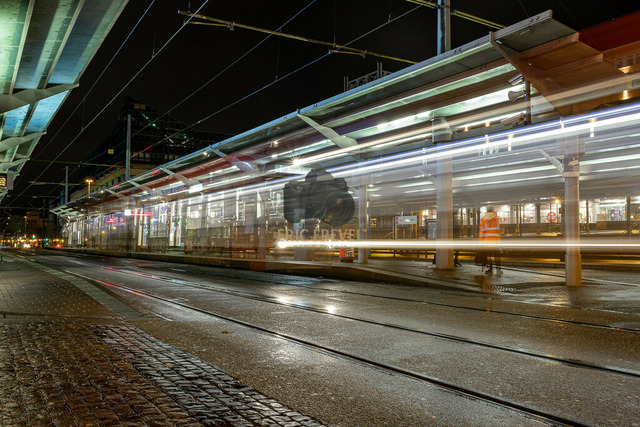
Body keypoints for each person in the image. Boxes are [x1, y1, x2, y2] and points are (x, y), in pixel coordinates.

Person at [479, 206, 502, 274]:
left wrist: (480, 242)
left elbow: (481, 232)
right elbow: (499, 230)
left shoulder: (483, 219)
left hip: (487, 242)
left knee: (489, 257)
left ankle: (490, 270)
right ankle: (498, 270)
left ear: (487, 211)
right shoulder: (497, 219)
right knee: (497, 256)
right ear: (493, 211)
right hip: (496, 242)